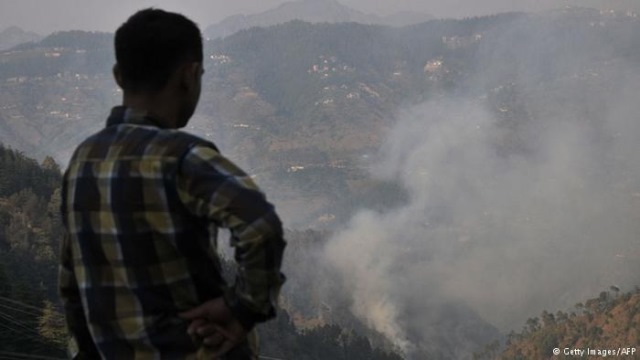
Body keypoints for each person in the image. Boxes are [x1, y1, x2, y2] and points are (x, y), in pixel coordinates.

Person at [58, 8, 286, 359]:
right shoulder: (183, 157)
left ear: (118, 76)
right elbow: (261, 227)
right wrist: (241, 310)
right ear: (190, 75)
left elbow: (73, 282)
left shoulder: (82, 160)